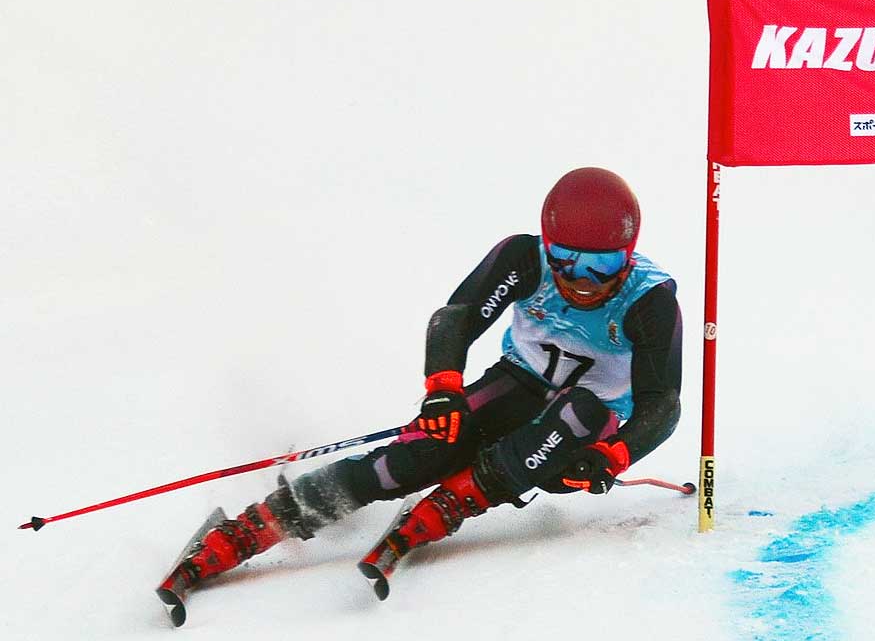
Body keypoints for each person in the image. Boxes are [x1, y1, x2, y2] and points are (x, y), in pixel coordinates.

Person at [161, 167, 683, 598]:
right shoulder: (525, 259)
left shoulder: (649, 301)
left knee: (580, 413)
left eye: (602, 265)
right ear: (548, 246)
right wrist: (443, 389)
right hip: (518, 384)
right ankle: (252, 528)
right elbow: (456, 318)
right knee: (419, 454)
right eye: (566, 259)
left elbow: (663, 404)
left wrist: (615, 456)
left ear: (629, 254)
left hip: (575, 438)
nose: (580, 280)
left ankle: (458, 499)